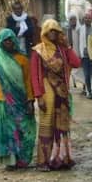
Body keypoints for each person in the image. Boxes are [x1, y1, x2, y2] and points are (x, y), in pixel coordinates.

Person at [30, 19, 81, 171]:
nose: (53, 34)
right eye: (50, 31)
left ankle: (62, 158)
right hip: (47, 94)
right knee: (47, 126)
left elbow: (76, 63)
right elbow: (34, 75)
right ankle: (44, 161)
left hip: (62, 94)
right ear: (45, 32)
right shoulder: (38, 51)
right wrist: (38, 96)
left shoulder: (62, 50)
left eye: (56, 31)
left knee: (62, 126)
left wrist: (68, 46)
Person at [0, 29, 36, 170]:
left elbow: (28, 81)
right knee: (6, 132)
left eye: (10, 39)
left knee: (22, 129)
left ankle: (22, 159)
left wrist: (30, 100)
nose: (8, 42)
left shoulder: (22, 58)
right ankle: (9, 161)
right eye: (5, 40)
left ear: (14, 41)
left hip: (20, 101)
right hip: (1, 101)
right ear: (0, 41)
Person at [77, 14, 92, 98]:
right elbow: (79, 42)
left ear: (91, 19)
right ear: (84, 19)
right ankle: (88, 91)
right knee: (86, 74)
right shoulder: (80, 29)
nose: (87, 19)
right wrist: (80, 54)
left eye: (89, 18)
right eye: (86, 18)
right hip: (85, 55)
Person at [66, 15, 82, 90]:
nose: (73, 21)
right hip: (70, 52)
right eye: (71, 20)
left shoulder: (79, 29)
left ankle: (82, 85)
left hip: (79, 51)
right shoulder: (68, 30)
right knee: (70, 70)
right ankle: (72, 85)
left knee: (80, 69)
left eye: (74, 19)